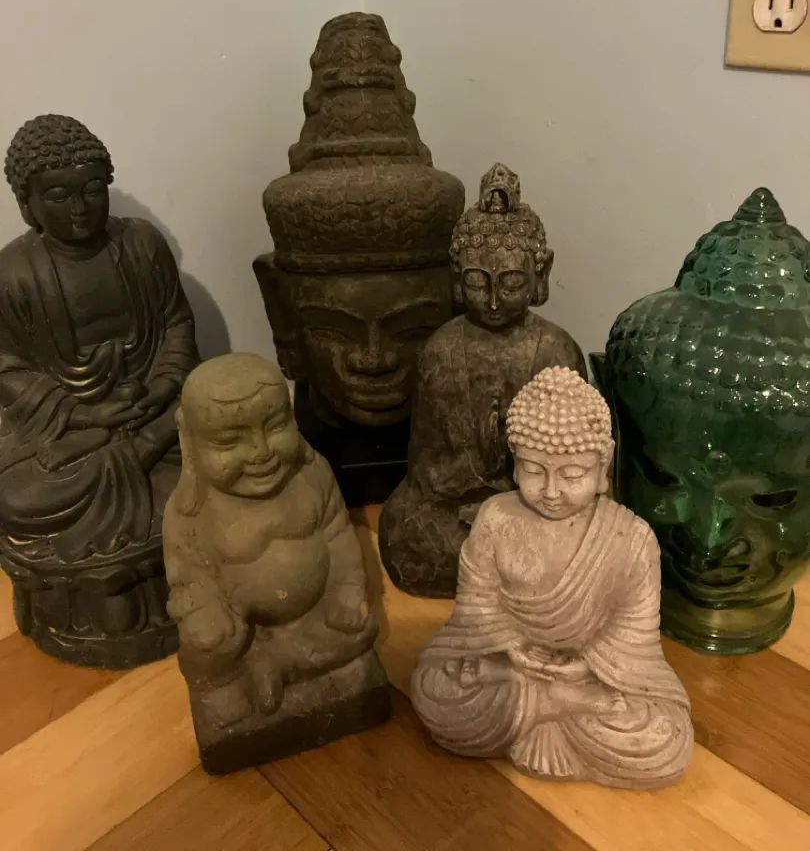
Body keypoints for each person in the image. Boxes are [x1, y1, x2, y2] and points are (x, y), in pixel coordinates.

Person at [411, 366, 693, 789]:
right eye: (533, 470)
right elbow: (476, 611)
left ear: (603, 465)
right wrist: (513, 649)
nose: (551, 490)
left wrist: (585, 663)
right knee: (433, 690)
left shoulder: (632, 539)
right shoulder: (496, 519)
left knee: (665, 739)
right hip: (512, 663)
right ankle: (559, 703)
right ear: (514, 461)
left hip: (592, 676)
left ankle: (542, 703)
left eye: (572, 474)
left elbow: (633, 638)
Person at [0, 114, 199, 666]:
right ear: (27, 203)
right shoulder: (12, 273)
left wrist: (163, 385)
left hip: (153, 405)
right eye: (58, 196)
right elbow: (7, 370)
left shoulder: (141, 245)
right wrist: (82, 414)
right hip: (72, 429)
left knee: (227, 432)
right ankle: (147, 450)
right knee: (17, 498)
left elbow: (176, 323)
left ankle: (155, 442)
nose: (80, 209)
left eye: (92, 190)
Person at [163, 353, 390, 773]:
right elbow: (187, 577)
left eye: (274, 427)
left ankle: (279, 667)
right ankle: (237, 680)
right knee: (207, 644)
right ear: (191, 443)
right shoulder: (189, 512)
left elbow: (339, 536)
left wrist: (346, 592)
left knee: (362, 630)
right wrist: (206, 613)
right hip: (243, 633)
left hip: (316, 617)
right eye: (229, 442)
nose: (261, 452)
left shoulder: (312, 476)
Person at [379, 163, 585, 597]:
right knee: (404, 538)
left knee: (579, 538)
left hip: (536, 508)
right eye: (477, 282)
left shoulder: (555, 350)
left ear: (540, 274)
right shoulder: (442, 349)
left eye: (510, 283)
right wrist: (470, 487)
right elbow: (427, 469)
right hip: (456, 507)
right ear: (457, 279)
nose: (492, 301)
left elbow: (575, 466)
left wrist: (512, 492)